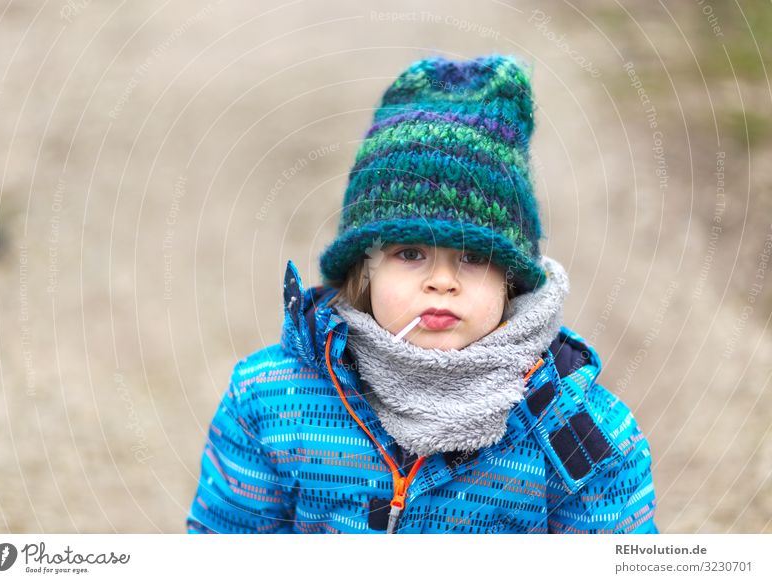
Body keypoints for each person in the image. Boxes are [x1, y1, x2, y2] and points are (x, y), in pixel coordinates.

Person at [186, 54, 658, 534]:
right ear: (363, 268)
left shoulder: (579, 437)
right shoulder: (270, 402)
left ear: (510, 279)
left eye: (474, 257)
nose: (442, 281)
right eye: (411, 253)